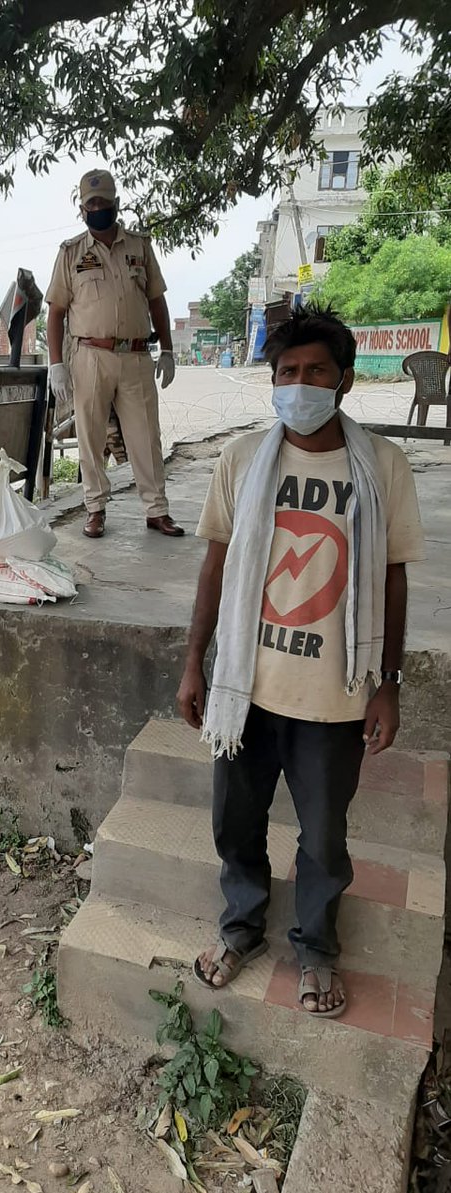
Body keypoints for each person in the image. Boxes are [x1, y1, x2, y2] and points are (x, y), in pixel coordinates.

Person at [176, 305, 425, 1018]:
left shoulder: (381, 466)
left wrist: (389, 685)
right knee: (236, 822)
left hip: (334, 697)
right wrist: (195, 661)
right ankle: (241, 928)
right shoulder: (242, 460)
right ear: (273, 381)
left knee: (322, 836)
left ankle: (315, 948)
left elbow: (393, 578)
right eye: (288, 372)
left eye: (317, 371)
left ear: (344, 380)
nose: (301, 384)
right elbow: (215, 567)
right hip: (246, 689)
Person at [46, 168, 183, 539]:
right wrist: (56, 363)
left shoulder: (140, 247)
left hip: (136, 356)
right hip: (90, 356)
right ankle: (95, 510)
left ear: (116, 204)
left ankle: (157, 511)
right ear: (82, 209)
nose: (97, 209)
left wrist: (167, 349)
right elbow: (56, 312)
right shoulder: (71, 253)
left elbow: (157, 300)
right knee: (90, 437)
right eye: (91, 204)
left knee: (145, 436)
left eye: (103, 203)